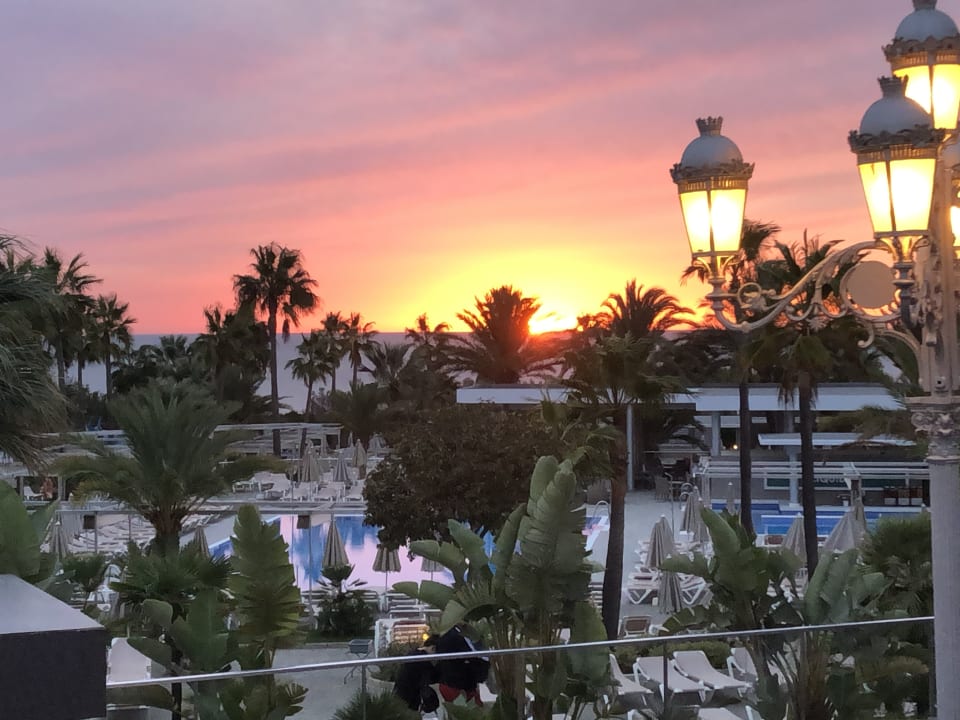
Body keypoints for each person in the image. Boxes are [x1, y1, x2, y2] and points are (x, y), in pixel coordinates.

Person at [435, 624, 490, 706]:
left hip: (450, 682)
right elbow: (473, 657)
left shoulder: (448, 634)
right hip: (458, 685)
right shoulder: (456, 636)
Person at [393, 634, 440, 712]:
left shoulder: (414, 654)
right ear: (433, 648)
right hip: (410, 700)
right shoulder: (424, 662)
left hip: (400, 695)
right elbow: (426, 684)